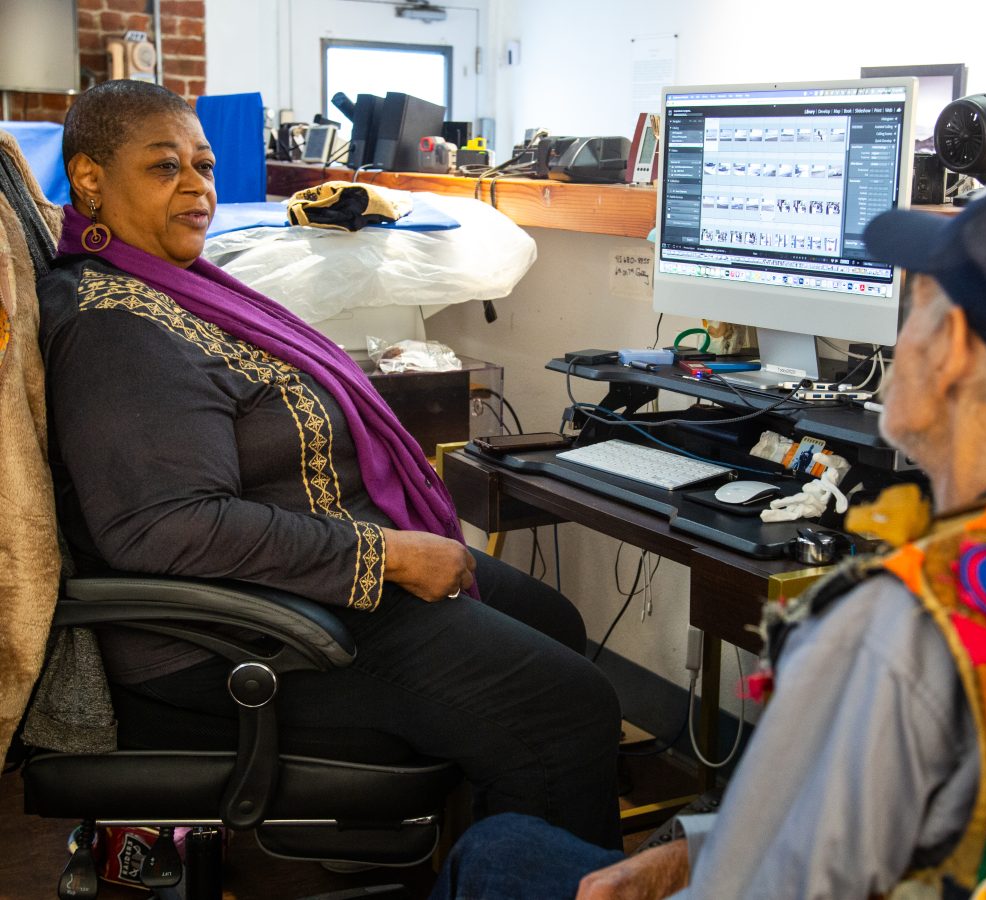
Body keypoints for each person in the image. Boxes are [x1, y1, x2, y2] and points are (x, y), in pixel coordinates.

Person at [428, 167, 986, 899]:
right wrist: (687, 855)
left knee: (503, 853)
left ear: (955, 345)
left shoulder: (894, 628)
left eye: (917, 305)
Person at [37, 80, 622, 850]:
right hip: (234, 635)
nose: (196, 187)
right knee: (563, 704)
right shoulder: (119, 331)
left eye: (204, 166)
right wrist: (390, 553)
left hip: (305, 586)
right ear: (89, 180)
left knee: (554, 621)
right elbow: (163, 529)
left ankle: (469, 844)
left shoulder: (174, 288)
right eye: (163, 167)